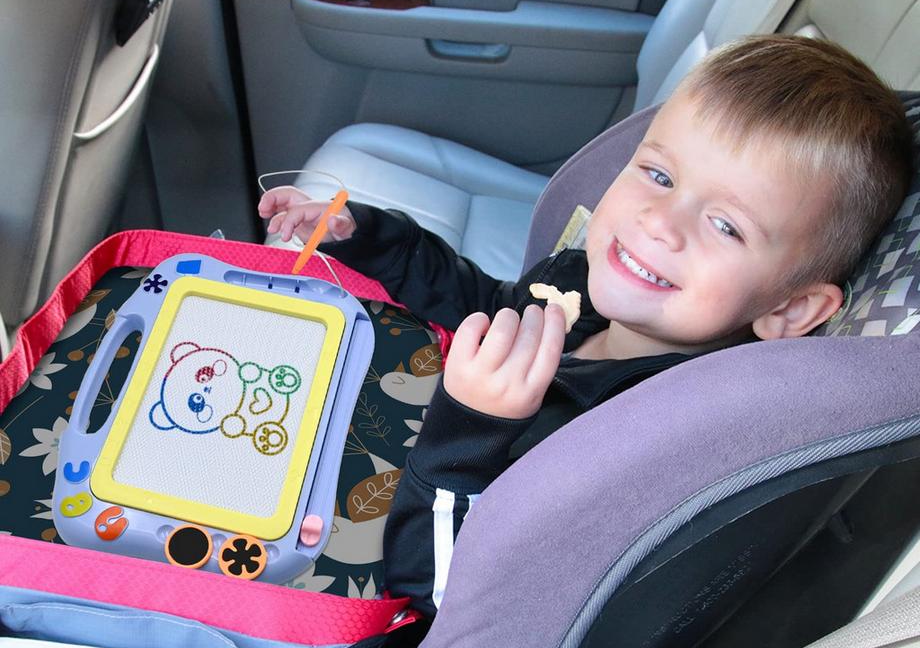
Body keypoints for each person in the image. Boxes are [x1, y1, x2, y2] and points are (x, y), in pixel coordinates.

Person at [259, 35, 912, 618]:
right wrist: (369, 237)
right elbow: (482, 303)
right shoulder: (576, 282)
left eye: (726, 225)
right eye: (658, 175)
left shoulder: (648, 437)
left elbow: (442, 592)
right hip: (387, 459)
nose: (660, 221)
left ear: (790, 311)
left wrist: (469, 429)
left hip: (378, 575)